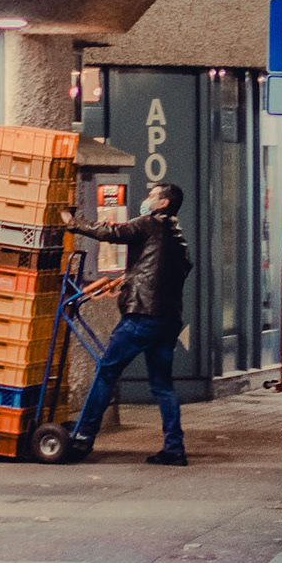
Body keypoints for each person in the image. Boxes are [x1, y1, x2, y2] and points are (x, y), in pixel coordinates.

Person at [58, 183, 194, 465]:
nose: (147, 199)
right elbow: (170, 270)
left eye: (152, 196)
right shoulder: (177, 236)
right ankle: (174, 448)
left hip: (141, 316)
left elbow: (113, 232)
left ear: (163, 203)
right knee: (163, 385)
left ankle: (82, 438)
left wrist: (73, 223)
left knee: (107, 372)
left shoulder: (149, 223)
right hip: (168, 320)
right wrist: (131, 277)